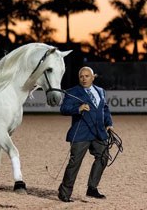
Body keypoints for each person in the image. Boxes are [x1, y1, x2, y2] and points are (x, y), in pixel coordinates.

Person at [58, 66, 114, 202]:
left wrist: (109, 124)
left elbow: (104, 109)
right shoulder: (72, 92)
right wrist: (78, 108)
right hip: (80, 134)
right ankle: (64, 192)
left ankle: (92, 188)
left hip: (98, 132)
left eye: (87, 76)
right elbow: (63, 109)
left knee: (103, 157)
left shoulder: (101, 91)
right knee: (74, 163)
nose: (84, 79)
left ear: (93, 77)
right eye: (81, 76)